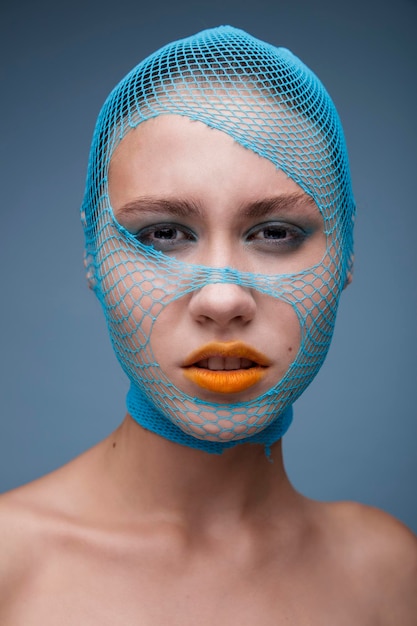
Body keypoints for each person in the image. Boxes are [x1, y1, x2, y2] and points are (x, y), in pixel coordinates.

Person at [0, 25, 416, 625]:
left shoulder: (388, 575)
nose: (222, 300)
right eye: (163, 235)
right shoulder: (12, 572)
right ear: (92, 258)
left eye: (276, 233)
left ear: (347, 257)